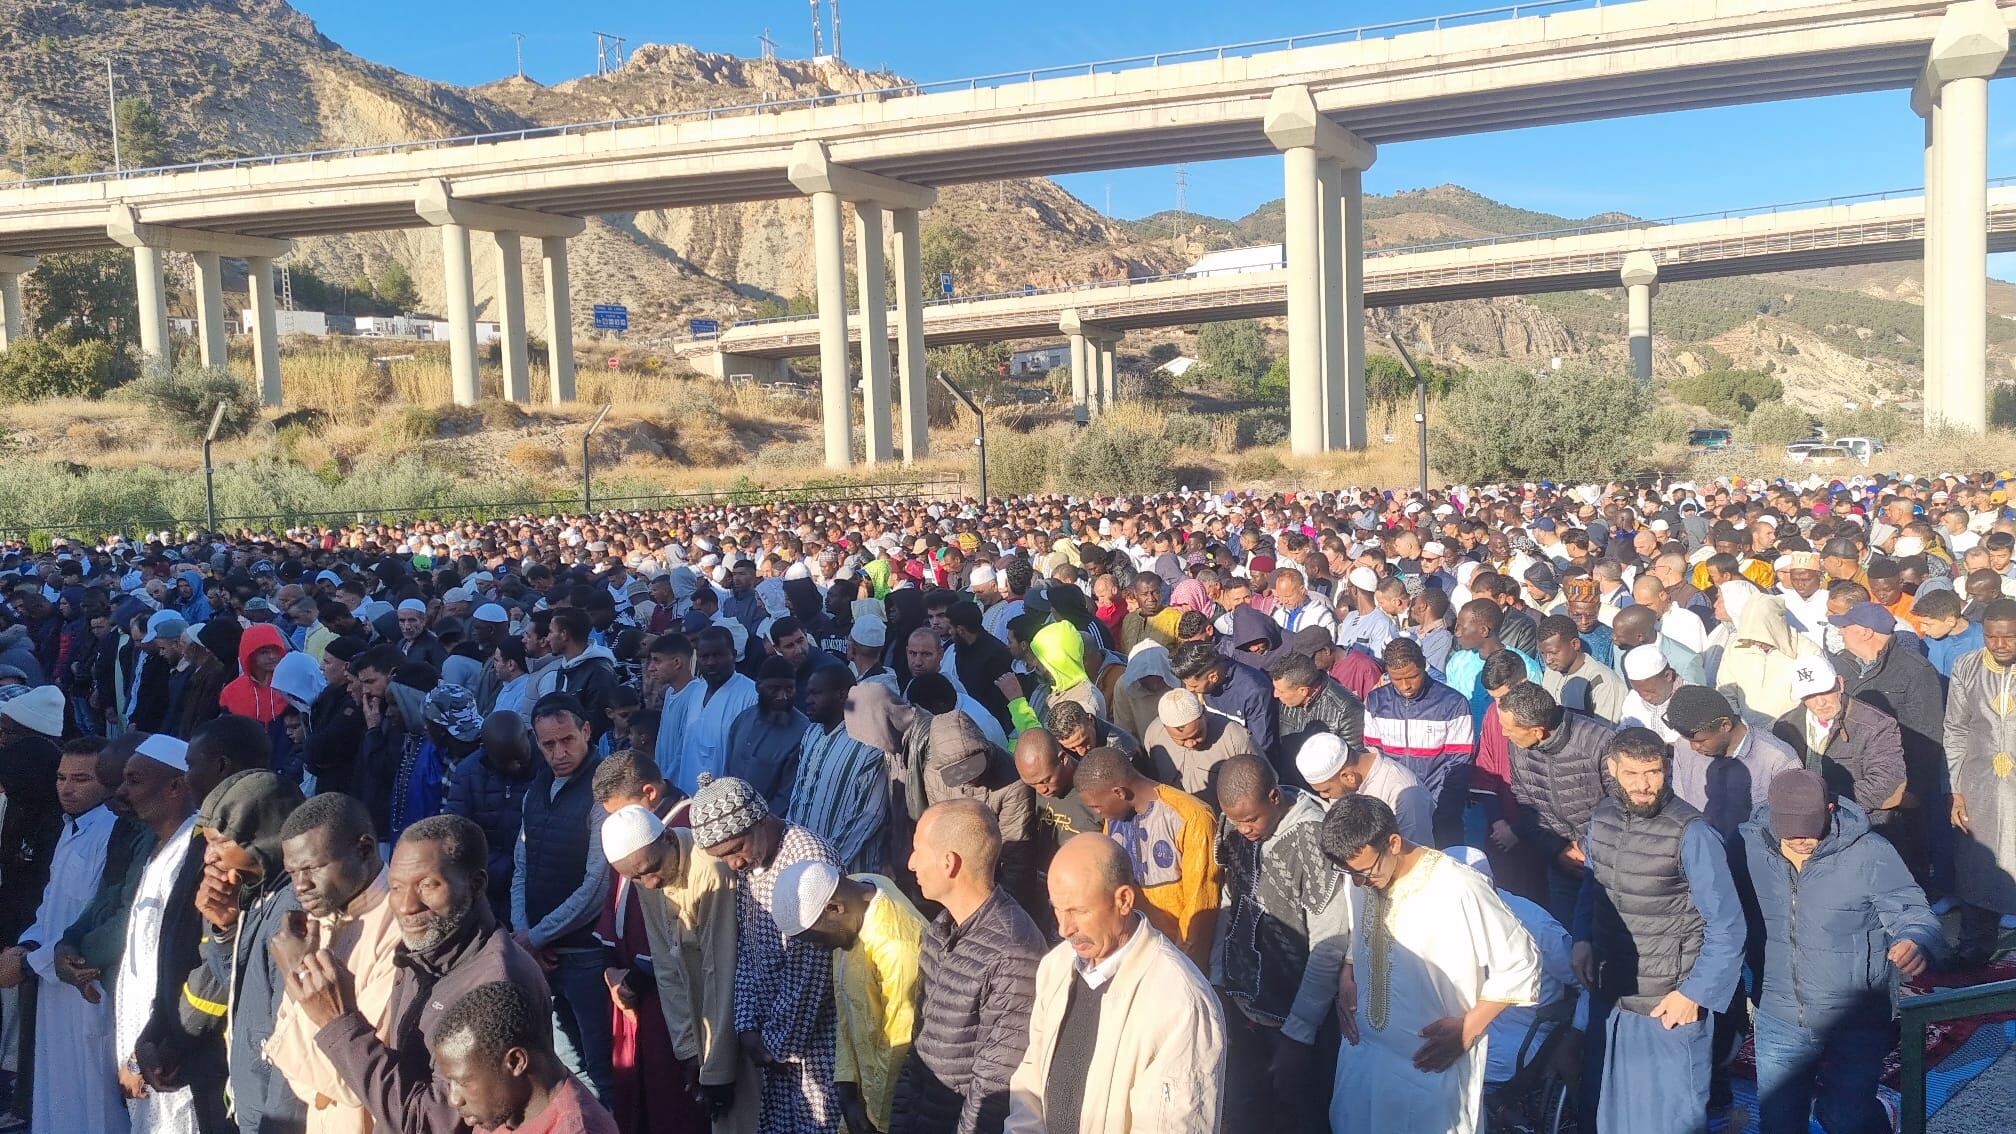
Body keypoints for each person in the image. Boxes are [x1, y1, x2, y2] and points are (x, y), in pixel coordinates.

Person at [280, 813, 552, 1134]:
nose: (407, 906)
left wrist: (339, 1023)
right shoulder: (422, 955)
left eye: (428, 885)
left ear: (476, 884)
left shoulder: (493, 985)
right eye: (395, 887)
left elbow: (427, 1123)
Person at [1320, 795, 1541, 1134]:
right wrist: (1348, 973)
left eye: (1364, 871)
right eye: (1349, 872)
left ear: (1393, 843)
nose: (1359, 882)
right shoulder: (1361, 878)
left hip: (1429, 1068)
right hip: (1364, 1057)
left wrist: (1468, 1028)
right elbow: (1363, 934)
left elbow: (1522, 963)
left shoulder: (1458, 886)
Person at [1740, 769, 1942, 1134]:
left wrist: (1915, 939)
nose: (1801, 841)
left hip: (1855, 1016)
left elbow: (1912, 910)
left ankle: (1878, 1118)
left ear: (1831, 809)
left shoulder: (1870, 853)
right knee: (1779, 1121)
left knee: (1846, 1118)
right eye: (1791, 833)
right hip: (1780, 1012)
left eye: (1810, 830)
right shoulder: (1748, 847)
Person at [1573, 727, 1745, 1134]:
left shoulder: (1693, 833)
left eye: (1653, 772)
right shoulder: (1602, 817)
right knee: (1608, 1118)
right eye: (1632, 774)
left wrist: (1695, 994)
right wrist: (1582, 937)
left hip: (1668, 1008)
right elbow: (1591, 885)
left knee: (1670, 1122)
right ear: (1612, 768)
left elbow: (1728, 926)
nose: (1644, 785)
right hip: (1612, 998)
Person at [1002, 834, 1225, 1134]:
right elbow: (1031, 1080)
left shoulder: (1180, 1003)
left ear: (1123, 900)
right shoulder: (1055, 967)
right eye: (1057, 909)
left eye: (1078, 911)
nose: (1064, 928)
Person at [690, 775, 844, 1134]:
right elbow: (747, 949)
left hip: (816, 1046)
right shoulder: (753, 862)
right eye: (722, 857)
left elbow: (811, 975)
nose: (733, 864)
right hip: (774, 1048)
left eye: (735, 849)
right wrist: (745, 1025)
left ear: (759, 820)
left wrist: (773, 1045)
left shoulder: (806, 859)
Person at [1211, 754, 1347, 1133]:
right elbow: (1230, 900)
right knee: (1244, 1109)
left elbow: (1330, 942)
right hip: (1241, 1004)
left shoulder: (1314, 838)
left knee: (1302, 1113)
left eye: (1250, 819)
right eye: (1235, 820)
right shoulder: (1236, 823)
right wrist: (1217, 976)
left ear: (1273, 797)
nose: (1243, 829)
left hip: (1295, 1016)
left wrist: (1300, 1031)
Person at [891, 799, 1044, 1134]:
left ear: (950, 863)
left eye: (918, 849)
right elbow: (919, 1046)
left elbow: (994, 1084)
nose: (911, 862)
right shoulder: (940, 929)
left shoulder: (1013, 951)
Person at [599, 803, 751, 1133]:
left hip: (741, 1014)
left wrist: (717, 1070)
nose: (649, 883)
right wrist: (687, 1052)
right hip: (704, 1020)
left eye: (651, 869)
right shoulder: (645, 872)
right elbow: (666, 965)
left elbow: (721, 971)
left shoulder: (710, 871)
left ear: (668, 837)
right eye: (635, 877)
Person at [178, 769, 309, 1134]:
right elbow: (238, 987)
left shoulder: (294, 912)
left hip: (278, 1116)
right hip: (252, 1106)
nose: (208, 857)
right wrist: (224, 929)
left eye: (221, 842)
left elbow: (293, 1040)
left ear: (263, 839)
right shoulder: (257, 894)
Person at [266, 791, 405, 1134]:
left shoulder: (402, 929)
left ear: (364, 849)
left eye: (312, 868)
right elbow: (292, 1062)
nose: (301, 886)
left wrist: (300, 971)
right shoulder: (321, 921)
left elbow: (351, 1078)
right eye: (292, 872)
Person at [113, 732, 228, 1134]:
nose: (123, 791)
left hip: (171, 1046)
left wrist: (159, 1043)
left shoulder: (197, 850)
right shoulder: (159, 848)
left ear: (176, 785)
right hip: (147, 1041)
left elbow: (190, 957)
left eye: (135, 780)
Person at [13, 739, 130, 1134]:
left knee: (95, 1101)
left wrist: (31, 962)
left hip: (86, 986)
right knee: (57, 1093)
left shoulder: (112, 832)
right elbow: (50, 905)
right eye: (61, 777)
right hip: (52, 983)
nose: (67, 788)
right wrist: (27, 947)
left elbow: (96, 915)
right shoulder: (71, 828)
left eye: (80, 779)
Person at [773, 862, 926, 1134]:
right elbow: (846, 1005)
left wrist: (876, 1120)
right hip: (864, 1098)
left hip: (897, 1109)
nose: (819, 950)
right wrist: (845, 1088)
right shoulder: (855, 889)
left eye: (816, 941)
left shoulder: (896, 947)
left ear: (834, 908)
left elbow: (898, 1049)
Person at [516, 694, 614, 1102]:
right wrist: (525, 935)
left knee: (602, 1068)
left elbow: (596, 886)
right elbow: (522, 867)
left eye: (567, 740)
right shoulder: (535, 790)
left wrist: (533, 938)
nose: (559, 752)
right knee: (564, 1067)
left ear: (586, 732)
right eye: (548, 745)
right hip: (542, 953)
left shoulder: (602, 792)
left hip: (585, 955)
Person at [1437, 847, 1576, 1094]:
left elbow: (1581, 980)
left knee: (1450, 1068)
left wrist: (1575, 1034)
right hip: (1462, 1020)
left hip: (1522, 1032)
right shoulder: (1442, 919)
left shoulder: (1534, 923)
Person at [1072, 746, 1221, 971]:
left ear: (1119, 793)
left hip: (1177, 961)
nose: (1097, 814)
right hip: (1137, 955)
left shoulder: (1191, 818)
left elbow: (1200, 909)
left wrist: (1184, 969)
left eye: (1097, 807)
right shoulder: (1113, 820)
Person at [1830, 600, 1945, 888]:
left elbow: (1928, 735)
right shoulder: (1844, 666)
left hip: (1900, 792)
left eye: (1846, 627)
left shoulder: (1915, 671)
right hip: (1859, 785)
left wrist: (1914, 790)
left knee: (1904, 866)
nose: (1840, 632)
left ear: (1866, 632)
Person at [429, 980, 619, 1134]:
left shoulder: (577, 1128)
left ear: (516, 1061)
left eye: (462, 1082)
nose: (454, 1100)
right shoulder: (505, 1107)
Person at [1942, 598, 2016, 968]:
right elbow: (1955, 729)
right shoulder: (1967, 667)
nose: (2000, 645)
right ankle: (1973, 956)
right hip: (1978, 788)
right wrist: (1956, 790)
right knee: (1978, 872)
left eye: (2009, 638)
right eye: (1991, 637)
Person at [1768, 659, 1908, 840]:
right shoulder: (1785, 726)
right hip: (1804, 828)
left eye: (1825, 691)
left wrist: (1824, 801)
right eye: (1809, 695)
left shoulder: (1877, 725)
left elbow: (1886, 785)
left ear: (1840, 684)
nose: (1820, 703)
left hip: (1861, 827)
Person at [1363, 637, 1476, 846]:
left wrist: (1437, 809)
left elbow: (1459, 764)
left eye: (1413, 676)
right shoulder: (1375, 701)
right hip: (1393, 808)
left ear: (1424, 665)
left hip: (1441, 811)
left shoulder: (1454, 704)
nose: (1406, 686)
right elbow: (1374, 757)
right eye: (1397, 679)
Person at [446, 710, 539, 925]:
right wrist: (500, 869)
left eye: (520, 758)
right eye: (507, 761)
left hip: (530, 887)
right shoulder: (468, 773)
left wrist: (520, 872)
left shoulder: (546, 770)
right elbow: (456, 835)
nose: (516, 765)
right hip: (484, 885)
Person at [1292, 731, 1433, 841]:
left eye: (1325, 791)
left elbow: (1417, 855)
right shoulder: (1345, 783)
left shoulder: (1404, 792)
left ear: (1349, 777)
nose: (1324, 796)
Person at [673, 627, 759, 797]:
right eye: (705, 656)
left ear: (733, 655)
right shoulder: (696, 691)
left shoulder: (751, 695)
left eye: (718, 655)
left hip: (724, 805)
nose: (711, 662)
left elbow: (748, 760)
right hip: (687, 798)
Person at [1139, 689, 1253, 805]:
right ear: (1165, 727)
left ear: (1204, 715)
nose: (1191, 744)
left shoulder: (1234, 737)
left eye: (1197, 734)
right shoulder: (1154, 735)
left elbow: (1260, 786)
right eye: (1182, 739)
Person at [726, 657, 809, 817]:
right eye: (774, 689)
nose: (783, 696)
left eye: (789, 689)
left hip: (768, 828)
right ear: (758, 687)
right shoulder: (743, 719)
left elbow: (786, 798)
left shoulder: (803, 733)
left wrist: (755, 824)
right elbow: (729, 770)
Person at [1170, 640, 1277, 761]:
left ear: (1213, 677)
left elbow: (1261, 746)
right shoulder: (1205, 683)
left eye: (1194, 686)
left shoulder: (1254, 691)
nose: (1189, 690)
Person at [1266, 652, 1366, 777]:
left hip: (1324, 787)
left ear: (1303, 691)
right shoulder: (1287, 699)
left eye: (1280, 691)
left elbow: (1352, 762)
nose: (1275, 695)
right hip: (1290, 784)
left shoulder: (1347, 709)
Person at [1536, 614, 1628, 723]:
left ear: (1575, 644)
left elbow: (1603, 734)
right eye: (1543, 653)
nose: (1548, 660)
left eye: (1553, 653)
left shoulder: (1603, 683)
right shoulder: (1552, 669)